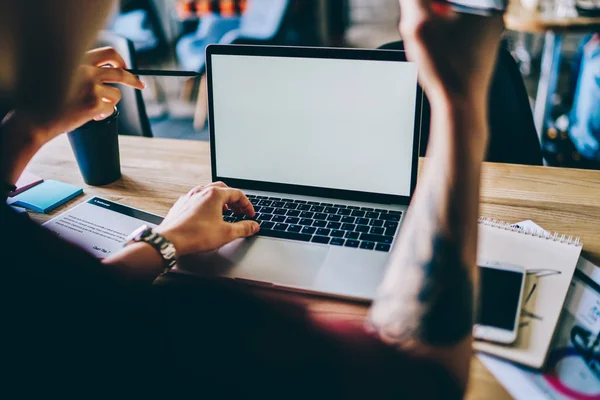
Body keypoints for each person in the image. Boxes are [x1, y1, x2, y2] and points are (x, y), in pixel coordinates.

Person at [0, 1, 503, 398]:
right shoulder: (184, 339)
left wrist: (28, 129)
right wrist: (459, 103)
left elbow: (79, 301)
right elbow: (419, 378)